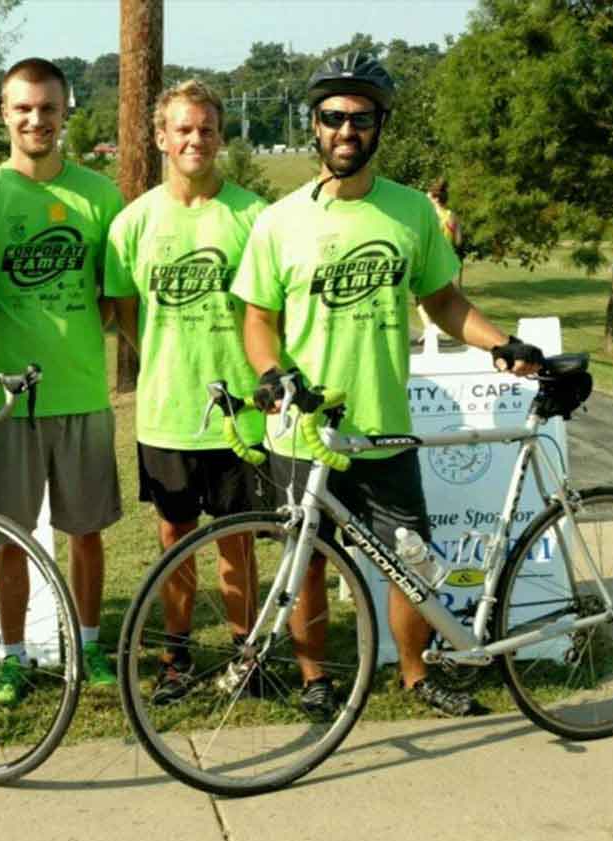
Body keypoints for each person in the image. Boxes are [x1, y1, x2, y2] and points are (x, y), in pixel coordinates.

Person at [231, 53, 543, 718]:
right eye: (333, 116)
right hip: (303, 428)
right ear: (313, 125)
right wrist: (268, 371)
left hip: (384, 424)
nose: (347, 129)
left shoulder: (409, 213)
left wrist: (501, 344)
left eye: (361, 118)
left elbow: (444, 301)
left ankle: (413, 673)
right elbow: (257, 318)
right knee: (307, 562)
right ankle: (316, 677)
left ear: (380, 126)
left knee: (411, 562)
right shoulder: (278, 221)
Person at [0, 58, 126, 704]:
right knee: (11, 539)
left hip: (81, 391)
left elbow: (111, 297)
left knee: (86, 532)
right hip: (6, 399)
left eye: (48, 108)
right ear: (4, 113)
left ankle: (91, 645)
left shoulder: (100, 196)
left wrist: (72, 333)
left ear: (65, 113)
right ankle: (14, 659)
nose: (36, 119)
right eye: (23, 108)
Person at [106, 79, 268, 703]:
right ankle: (177, 657)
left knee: (238, 538)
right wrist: (167, 358)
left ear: (220, 135)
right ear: (160, 138)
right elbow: (123, 309)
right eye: (182, 128)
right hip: (168, 411)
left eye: (205, 127)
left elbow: (269, 308)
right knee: (174, 537)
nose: (194, 138)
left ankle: (244, 654)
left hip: (241, 412)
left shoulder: (253, 215)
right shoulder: (134, 222)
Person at [427, 177, 463, 294]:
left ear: (435, 198)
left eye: (428, 197)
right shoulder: (453, 216)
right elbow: (458, 241)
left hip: (433, 264)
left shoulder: (429, 216)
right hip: (450, 262)